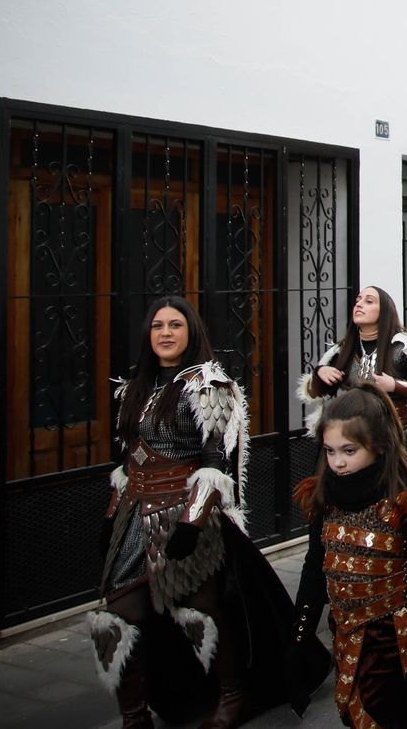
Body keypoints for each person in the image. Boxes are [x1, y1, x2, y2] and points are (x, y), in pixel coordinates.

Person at [90, 296, 302, 729]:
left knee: (199, 613)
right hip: (134, 514)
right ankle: (134, 716)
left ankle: (233, 697)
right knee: (117, 615)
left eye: (175, 325)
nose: (165, 333)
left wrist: (192, 522)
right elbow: (129, 460)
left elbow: (215, 460)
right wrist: (114, 512)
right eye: (157, 326)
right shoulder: (134, 387)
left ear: (191, 333)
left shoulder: (209, 385)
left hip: (186, 514)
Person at [289, 385, 407, 726]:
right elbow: (314, 569)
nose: (338, 462)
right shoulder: (325, 493)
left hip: (398, 647)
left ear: (377, 445)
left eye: (349, 450)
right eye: (330, 451)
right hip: (347, 640)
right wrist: (300, 638)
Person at [302, 286, 407, 480]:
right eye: (358, 301)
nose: (359, 305)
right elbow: (314, 394)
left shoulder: (405, 347)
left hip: (400, 441)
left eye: (369, 301)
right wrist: (320, 373)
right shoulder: (343, 350)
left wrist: (394, 385)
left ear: (385, 311)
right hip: (354, 441)